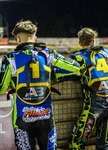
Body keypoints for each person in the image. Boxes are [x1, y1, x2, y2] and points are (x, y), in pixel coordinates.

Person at [0, 20, 80, 150]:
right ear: (35, 37)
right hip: (46, 117)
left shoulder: (10, 58)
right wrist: (53, 74)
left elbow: (2, 87)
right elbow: (75, 68)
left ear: (18, 38)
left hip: (23, 118)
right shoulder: (49, 54)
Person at [68, 28, 108, 150]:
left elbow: (65, 72)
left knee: (76, 142)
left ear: (79, 43)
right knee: (105, 144)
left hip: (92, 110)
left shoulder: (77, 56)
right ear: (93, 41)